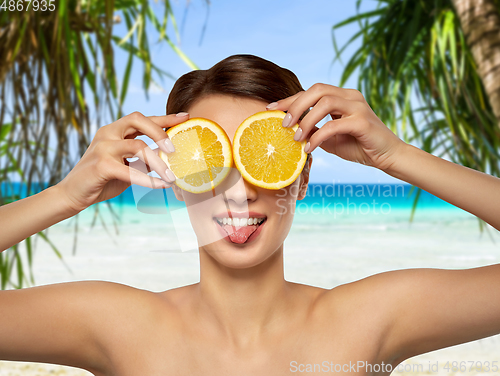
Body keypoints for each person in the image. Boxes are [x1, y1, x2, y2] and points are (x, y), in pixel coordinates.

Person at [1, 54, 500, 375]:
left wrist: (396, 156)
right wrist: (66, 196)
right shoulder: (118, 325)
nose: (238, 194)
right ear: (174, 180)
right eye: (209, 163)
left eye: (264, 160)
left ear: (302, 178)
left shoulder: (367, 320)